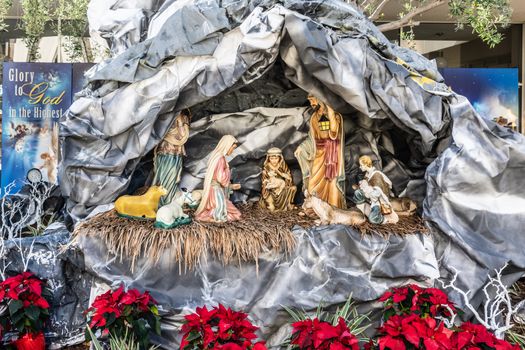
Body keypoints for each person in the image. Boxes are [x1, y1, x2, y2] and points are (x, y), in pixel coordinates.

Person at [295, 95, 346, 208]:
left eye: (313, 99)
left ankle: (333, 208)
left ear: (320, 98)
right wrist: (302, 147)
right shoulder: (314, 117)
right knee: (312, 184)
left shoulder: (335, 116)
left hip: (332, 155)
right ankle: (315, 208)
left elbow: (334, 133)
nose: (311, 103)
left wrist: (330, 110)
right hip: (318, 153)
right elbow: (311, 138)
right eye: (309, 101)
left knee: (332, 181)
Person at [195, 135, 242, 223]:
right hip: (216, 191)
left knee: (233, 212)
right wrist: (228, 170)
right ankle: (214, 216)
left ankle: (212, 214)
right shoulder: (220, 158)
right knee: (236, 214)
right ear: (227, 145)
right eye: (233, 148)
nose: (232, 151)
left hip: (213, 189)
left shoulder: (216, 156)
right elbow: (221, 178)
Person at [152, 109, 191, 206]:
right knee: (165, 176)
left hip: (173, 152)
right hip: (167, 151)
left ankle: (167, 200)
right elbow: (183, 135)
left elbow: (183, 135)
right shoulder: (173, 117)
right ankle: (163, 200)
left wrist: (184, 122)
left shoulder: (182, 117)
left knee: (170, 177)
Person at [352, 155, 397, 224]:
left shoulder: (376, 175)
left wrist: (367, 193)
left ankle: (386, 219)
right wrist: (360, 187)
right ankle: (360, 212)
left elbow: (378, 193)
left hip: (377, 202)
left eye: (361, 165)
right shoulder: (367, 174)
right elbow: (365, 185)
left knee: (373, 219)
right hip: (369, 199)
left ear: (366, 165)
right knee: (358, 192)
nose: (360, 167)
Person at [260, 147, 296, 212]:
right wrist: (268, 185)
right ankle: (272, 205)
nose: (274, 160)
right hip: (270, 190)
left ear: (280, 158)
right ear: (268, 159)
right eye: (272, 158)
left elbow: (288, 176)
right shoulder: (266, 168)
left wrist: (286, 179)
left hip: (282, 186)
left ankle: (288, 204)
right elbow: (264, 182)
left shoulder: (282, 165)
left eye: (276, 158)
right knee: (271, 208)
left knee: (293, 188)